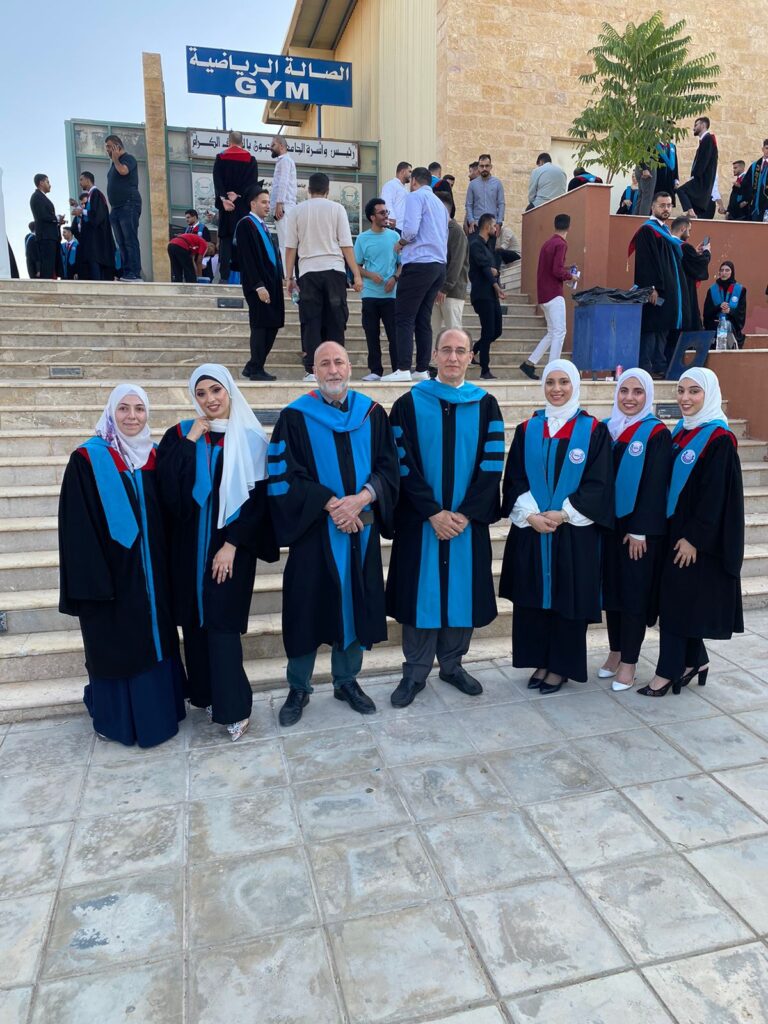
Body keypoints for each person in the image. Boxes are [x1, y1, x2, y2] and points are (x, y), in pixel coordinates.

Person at [267, 342, 399, 727]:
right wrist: (330, 504)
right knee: (305, 610)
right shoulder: (294, 417)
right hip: (313, 534)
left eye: (339, 361)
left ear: (350, 366)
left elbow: (389, 466)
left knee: (355, 605)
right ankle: (299, 687)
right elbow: (283, 476)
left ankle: (346, 681)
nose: (333, 369)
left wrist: (362, 499)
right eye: (324, 363)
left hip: (361, 531)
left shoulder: (371, 413)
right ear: (314, 370)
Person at [58, 384, 186, 747]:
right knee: (118, 645)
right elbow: (77, 529)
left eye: (139, 409)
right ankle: (119, 721)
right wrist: (94, 585)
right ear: (111, 413)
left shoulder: (154, 456)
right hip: (111, 580)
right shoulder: (88, 459)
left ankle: (160, 714)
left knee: (157, 640)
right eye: (124, 409)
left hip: (154, 577)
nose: (132, 416)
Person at [157, 365, 277, 740]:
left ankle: (235, 708)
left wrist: (232, 544)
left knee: (222, 625)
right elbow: (166, 489)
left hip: (230, 548)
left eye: (216, 390)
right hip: (188, 546)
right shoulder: (180, 434)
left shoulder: (250, 438)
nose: (210, 399)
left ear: (229, 391)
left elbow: (258, 502)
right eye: (201, 393)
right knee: (193, 622)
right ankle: (205, 695)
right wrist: (191, 440)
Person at [386, 328, 503, 706]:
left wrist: (465, 514)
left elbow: (491, 465)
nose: (453, 357)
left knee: (461, 595)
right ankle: (414, 673)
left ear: (471, 357)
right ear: (434, 355)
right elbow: (401, 464)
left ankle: (452, 666)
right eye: (446, 350)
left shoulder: (486, 405)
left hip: (466, 524)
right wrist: (433, 512)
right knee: (420, 595)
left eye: (461, 351)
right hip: (422, 522)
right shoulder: (407, 404)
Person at [500, 359, 613, 693]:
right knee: (534, 597)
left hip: (574, 532)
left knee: (568, 599)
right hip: (533, 531)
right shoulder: (528, 429)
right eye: (550, 382)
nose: (557, 389)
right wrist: (531, 515)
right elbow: (515, 477)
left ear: (575, 385)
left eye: (564, 382)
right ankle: (540, 660)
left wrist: (563, 514)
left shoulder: (593, 430)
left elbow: (599, 482)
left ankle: (561, 667)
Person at [638, 368, 743, 696]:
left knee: (676, 602)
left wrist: (694, 538)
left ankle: (667, 672)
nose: (685, 398)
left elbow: (716, 495)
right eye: (681, 390)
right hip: (674, 531)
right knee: (679, 600)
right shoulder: (682, 431)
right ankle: (696, 660)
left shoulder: (719, 439)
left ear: (709, 395)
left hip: (694, 539)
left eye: (694, 391)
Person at [599, 370, 672, 692]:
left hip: (637, 531)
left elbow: (657, 484)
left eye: (638, 392)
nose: (629, 398)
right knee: (612, 592)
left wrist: (640, 529)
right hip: (609, 525)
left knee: (633, 595)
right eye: (624, 390)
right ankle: (615, 651)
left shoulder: (656, 433)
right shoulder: (607, 428)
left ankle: (629, 662)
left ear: (648, 396)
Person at [284, 172, 363, 381]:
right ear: (327, 190)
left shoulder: (297, 211)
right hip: (334, 271)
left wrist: (288, 277)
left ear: (308, 190)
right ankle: (338, 367)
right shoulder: (337, 209)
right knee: (336, 322)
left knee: (311, 321)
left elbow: (290, 248)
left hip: (308, 272)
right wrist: (356, 275)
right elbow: (346, 244)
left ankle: (312, 370)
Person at [382, 167, 448, 382]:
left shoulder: (415, 197)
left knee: (404, 316)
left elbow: (410, 230)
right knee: (422, 318)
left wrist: (400, 243)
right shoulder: (440, 204)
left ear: (414, 182)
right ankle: (421, 369)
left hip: (419, 263)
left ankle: (402, 368)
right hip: (438, 266)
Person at [628, 192, 683, 377]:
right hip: (654, 291)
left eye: (669, 205)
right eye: (662, 205)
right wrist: (651, 287)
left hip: (666, 290)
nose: (666, 209)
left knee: (662, 329)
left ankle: (660, 366)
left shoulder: (665, 231)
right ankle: (647, 368)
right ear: (653, 207)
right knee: (651, 329)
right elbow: (645, 261)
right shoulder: (648, 230)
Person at [519, 214, 578, 380]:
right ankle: (553, 370)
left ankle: (530, 363)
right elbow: (557, 271)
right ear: (569, 227)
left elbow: (552, 267)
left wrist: (567, 269)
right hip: (554, 294)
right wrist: (571, 276)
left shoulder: (548, 243)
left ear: (555, 225)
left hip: (543, 295)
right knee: (560, 332)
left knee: (552, 332)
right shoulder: (561, 244)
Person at [234, 187, 285, 381]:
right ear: (253, 203)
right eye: (263, 202)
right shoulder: (246, 224)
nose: (267, 206)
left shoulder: (263, 226)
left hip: (272, 283)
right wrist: (258, 285)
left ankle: (253, 365)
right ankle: (256, 368)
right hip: (258, 284)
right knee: (261, 325)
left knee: (273, 323)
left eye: (268, 202)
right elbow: (247, 258)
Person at [354, 196, 400, 381]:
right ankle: (375, 371)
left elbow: (402, 263)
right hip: (370, 295)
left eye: (386, 211)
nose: (386, 215)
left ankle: (398, 370)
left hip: (391, 295)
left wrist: (395, 279)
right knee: (371, 334)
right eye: (382, 213)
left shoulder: (395, 236)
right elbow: (356, 265)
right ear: (372, 217)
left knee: (394, 336)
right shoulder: (362, 239)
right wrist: (370, 274)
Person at [213, 131, 259, 283]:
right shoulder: (251, 159)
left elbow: (217, 180)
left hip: (226, 207)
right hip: (242, 206)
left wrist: (224, 198)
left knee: (226, 240)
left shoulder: (220, 157)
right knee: (244, 239)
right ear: (242, 143)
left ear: (228, 142)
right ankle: (246, 277)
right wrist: (238, 195)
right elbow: (253, 184)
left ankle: (224, 278)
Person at [468, 213, 504, 379]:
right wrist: (496, 286)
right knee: (488, 331)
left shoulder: (488, 246)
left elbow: (493, 268)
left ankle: (473, 351)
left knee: (497, 331)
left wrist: (495, 273)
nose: (496, 228)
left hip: (491, 294)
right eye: (494, 225)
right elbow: (484, 268)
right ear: (487, 226)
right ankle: (485, 370)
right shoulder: (475, 244)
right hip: (482, 294)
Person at [105, 134, 142, 281]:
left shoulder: (128, 158)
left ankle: (135, 273)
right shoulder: (113, 165)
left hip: (129, 204)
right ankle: (127, 272)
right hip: (116, 207)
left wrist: (115, 159)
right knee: (121, 242)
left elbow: (123, 171)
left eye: (109, 147)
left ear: (117, 146)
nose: (107, 150)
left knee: (129, 240)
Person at [432, 192, 469, 336]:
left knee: (454, 333)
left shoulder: (456, 232)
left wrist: (445, 288)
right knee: (432, 334)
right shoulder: (436, 230)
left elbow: (456, 263)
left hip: (452, 293)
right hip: (435, 290)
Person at [669, 216, 710, 339]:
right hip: (684, 292)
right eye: (689, 230)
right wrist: (707, 252)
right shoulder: (684, 247)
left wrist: (694, 253)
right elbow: (698, 265)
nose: (689, 234)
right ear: (683, 228)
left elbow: (686, 262)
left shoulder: (666, 243)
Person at [70, 172, 114, 280]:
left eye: (81, 179)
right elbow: (90, 213)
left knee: (97, 272)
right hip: (93, 243)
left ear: (88, 180)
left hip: (97, 243)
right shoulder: (91, 196)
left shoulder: (96, 194)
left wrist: (81, 211)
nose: (80, 182)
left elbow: (98, 215)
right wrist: (79, 208)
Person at [676, 117, 718, 219]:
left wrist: (695, 175)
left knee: (681, 190)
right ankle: (692, 213)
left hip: (702, 179)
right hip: (702, 179)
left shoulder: (708, 139)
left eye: (696, 125)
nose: (693, 128)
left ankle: (691, 212)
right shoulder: (706, 140)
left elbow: (704, 160)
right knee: (690, 198)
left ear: (703, 125)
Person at [703, 261, 748, 348]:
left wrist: (730, 311)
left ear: (732, 272)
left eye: (727, 270)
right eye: (722, 270)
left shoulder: (740, 290)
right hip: (714, 328)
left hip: (732, 329)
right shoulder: (712, 290)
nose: (724, 273)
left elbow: (741, 313)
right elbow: (706, 313)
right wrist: (718, 307)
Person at [269, 134, 298, 268]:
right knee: (284, 243)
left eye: (273, 145)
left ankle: (289, 276)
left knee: (285, 243)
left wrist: (279, 204)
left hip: (284, 206)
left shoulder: (285, 160)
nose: (270, 148)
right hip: (284, 206)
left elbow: (283, 182)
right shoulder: (283, 161)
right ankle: (289, 275)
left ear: (281, 146)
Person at [30, 174, 64, 279]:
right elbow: (42, 215)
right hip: (46, 237)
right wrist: (56, 218)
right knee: (47, 266)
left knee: (52, 266)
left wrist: (57, 222)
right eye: (47, 182)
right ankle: (47, 287)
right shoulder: (37, 197)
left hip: (50, 237)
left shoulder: (42, 197)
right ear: (41, 183)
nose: (50, 185)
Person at [466, 154, 505, 244]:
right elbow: (469, 205)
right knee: (475, 251)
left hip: (491, 226)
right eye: (482, 166)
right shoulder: (472, 185)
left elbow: (501, 204)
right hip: (476, 226)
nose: (484, 168)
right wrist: (471, 221)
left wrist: (499, 223)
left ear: (491, 167)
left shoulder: (497, 184)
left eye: (487, 166)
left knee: (489, 251)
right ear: (478, 167)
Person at [381, 162, 412, 232]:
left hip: (404, 228)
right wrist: (391, 219)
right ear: (403, 172)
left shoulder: (405, 188)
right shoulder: (390, 185)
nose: (411, 175)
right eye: (409, 171)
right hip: (395, 227)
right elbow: (386, 203)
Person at [742, 140, 768, 222]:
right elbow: (747, 183)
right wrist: (747, 199)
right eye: (767, 148)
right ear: (762, 149)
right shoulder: (755, 165)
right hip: (755, 206)